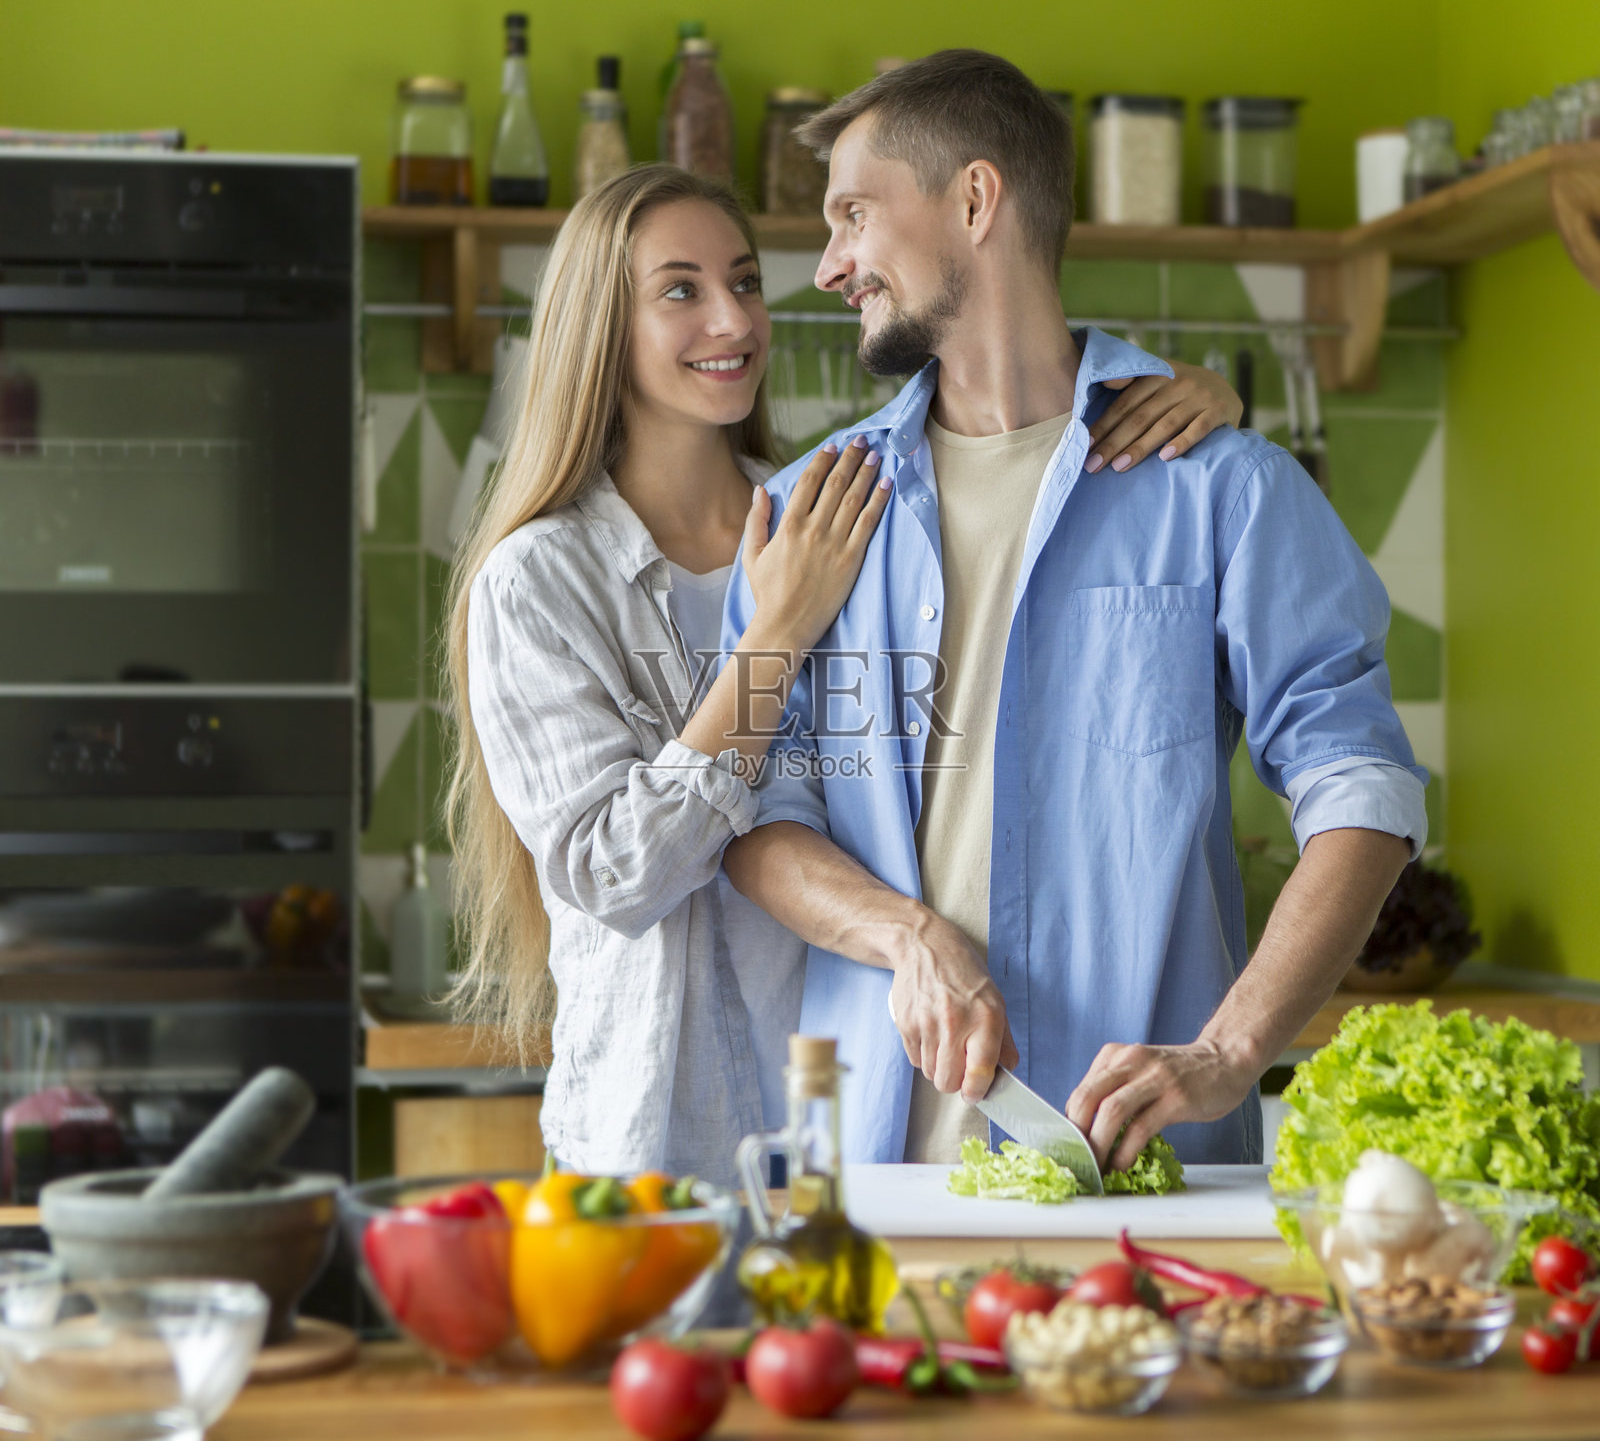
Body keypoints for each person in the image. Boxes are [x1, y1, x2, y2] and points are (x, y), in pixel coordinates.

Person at [442, 164, 1246, 1186]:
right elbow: (613, 871)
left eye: (742, 280)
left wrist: (1188, 399)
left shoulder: (840, 505)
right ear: (601, 324)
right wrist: (775, 632)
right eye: (680, 289)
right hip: (641, 1138)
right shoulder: (540, 577)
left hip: (836, 1130)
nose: (732, 317)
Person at [721, 50, 1426, 1172]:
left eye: (853, 215)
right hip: (869, 1179)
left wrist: (1229, 1050)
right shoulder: (803, 517)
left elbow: (1365, 791)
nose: (830, 265)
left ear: (973, 198)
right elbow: (756, 815)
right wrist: (906, 935)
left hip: (1145, 1175)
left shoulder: (1224, 491)